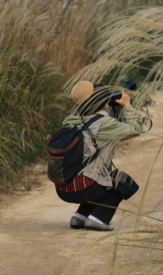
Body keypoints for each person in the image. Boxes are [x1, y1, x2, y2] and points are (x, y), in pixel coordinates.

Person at [55, 81, 144, 231]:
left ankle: (80, 217)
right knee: (120, 182)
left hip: (63, 188)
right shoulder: (102, 124)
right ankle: (98, 219)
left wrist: (114, 109)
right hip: (83, 188)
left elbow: (108, 126)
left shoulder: (71, 120)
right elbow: (134, 129)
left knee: (94, 173)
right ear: (99, 101)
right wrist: (127, 106)